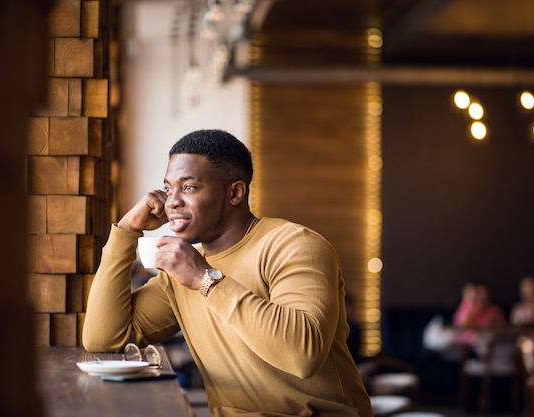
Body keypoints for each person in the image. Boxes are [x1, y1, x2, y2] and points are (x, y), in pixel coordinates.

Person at [82, 129, 374, 417]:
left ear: (235, 192)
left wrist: (204, 279)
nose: (172, 201)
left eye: (189, 187)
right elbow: (104, 338)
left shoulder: (294, 245)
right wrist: (126, 230)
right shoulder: (182, 274)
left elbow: (302, 355)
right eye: (169, 188)